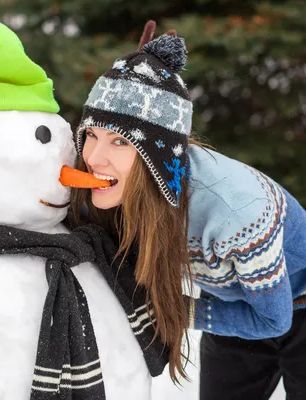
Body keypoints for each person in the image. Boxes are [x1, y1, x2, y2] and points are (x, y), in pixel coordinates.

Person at [68, 32, 306, 399]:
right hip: (234, 305)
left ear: (158, 156)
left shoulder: (236, 212)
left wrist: (173, 311)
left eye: (120, 141)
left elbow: (274, 320)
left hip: (292, 307)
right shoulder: (121, 189)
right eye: (92, 135)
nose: (95, 157)